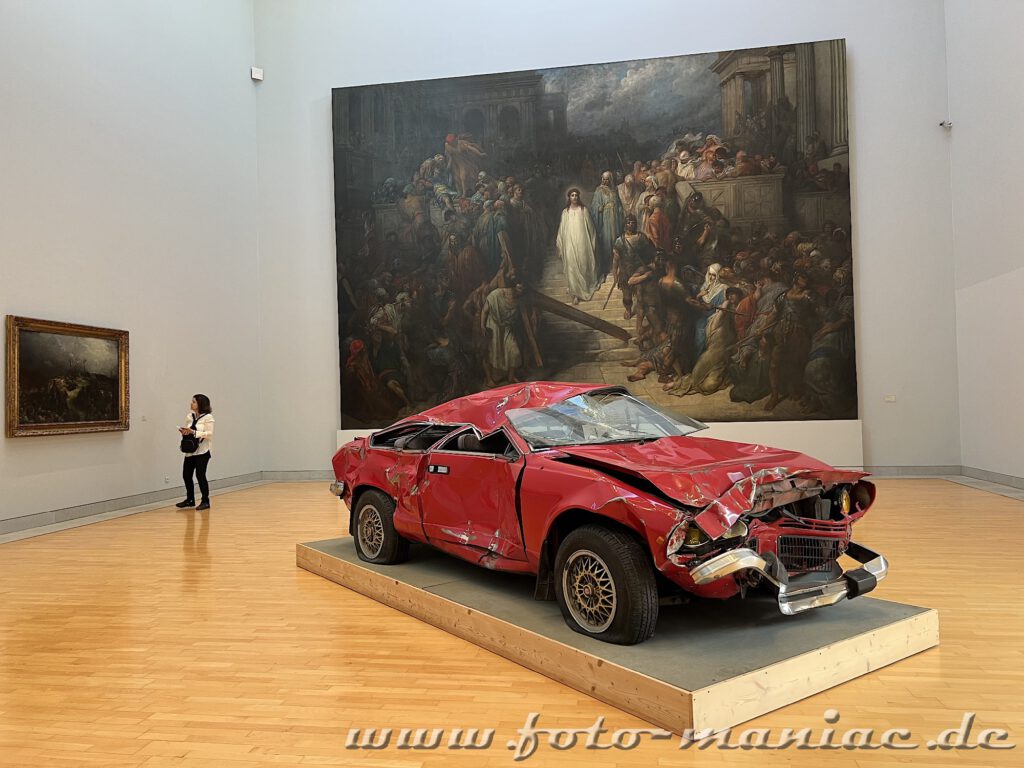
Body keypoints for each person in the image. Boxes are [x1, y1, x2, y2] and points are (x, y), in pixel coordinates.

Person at [556, 189, 599, 305]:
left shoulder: (583, 210)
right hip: (569, 242)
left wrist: (593, 242)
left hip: (582, 241)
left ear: (578, 197)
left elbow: (591, 228)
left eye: (576, 195)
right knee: (571, 265)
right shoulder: (565, 212)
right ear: (569, 197)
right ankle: (575, 293)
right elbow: (561, 229)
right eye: (572, 195)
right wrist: (560, 244)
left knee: (583, 263)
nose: (574, 197)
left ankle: (583, 289)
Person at [177, 394, 215, 510]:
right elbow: (190, 430)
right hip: (191, 451)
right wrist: (185, 432)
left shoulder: (208, 418)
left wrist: (194, 432)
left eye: (194, 402)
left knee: (200, 475)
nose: (191, 403)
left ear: (200, 404)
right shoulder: (190, 416)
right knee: (186, 475)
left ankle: (205, 501)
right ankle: (190, 499)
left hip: (202, 451)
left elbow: (209, 434)